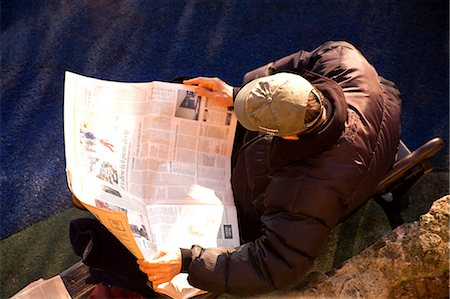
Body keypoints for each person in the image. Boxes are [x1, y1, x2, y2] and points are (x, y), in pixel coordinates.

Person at [71, 41, 401, 297]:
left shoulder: (305, 191)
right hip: (366, 130)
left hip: (269, 196)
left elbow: (278, 262)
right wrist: (235, 94)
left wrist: (188, 261)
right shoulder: (343, 61)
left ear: (286, 136)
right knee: (186, 89)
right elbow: (295, 68)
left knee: (139, 255)